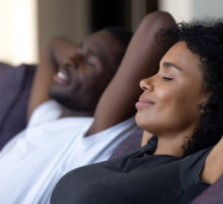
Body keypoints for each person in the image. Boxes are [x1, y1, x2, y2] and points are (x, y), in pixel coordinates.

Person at [50, 13, 223, 204]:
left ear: (211, 102)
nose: (145, 82)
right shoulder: (148, 149)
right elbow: (158, 26)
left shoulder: (193, 171)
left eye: (167, 77)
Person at [0, 27, 143, 204]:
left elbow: (158, 23)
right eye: (78, 50)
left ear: (117, 86)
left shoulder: (93, 136)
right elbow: (52, 46)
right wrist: (86, 56)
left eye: (90, 62)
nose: (68, 60)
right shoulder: (46, 116)